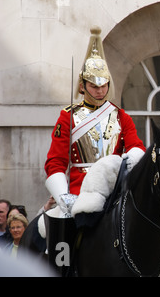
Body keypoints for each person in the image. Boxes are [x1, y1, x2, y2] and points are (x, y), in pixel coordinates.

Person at [43, 26, 146, 267]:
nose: (100, 91)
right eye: (94, 85)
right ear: (83, 85)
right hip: (80, 192)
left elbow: (136, 148)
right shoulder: (67, 117)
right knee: (61, 235)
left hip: (116, 187)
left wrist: (127, 165)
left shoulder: (122, 116)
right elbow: (55, 162)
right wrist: (63, 196)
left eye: (103, 85)